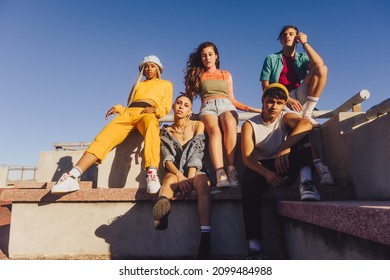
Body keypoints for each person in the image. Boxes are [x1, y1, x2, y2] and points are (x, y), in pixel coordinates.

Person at [51, 55, 173, 194]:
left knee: (152, 127)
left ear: (158, 68)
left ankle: (151, 173)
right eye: (146, 66)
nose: (149, 69)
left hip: (148, 113)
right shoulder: (138, 85)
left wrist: (156, 110)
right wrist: (118, 108)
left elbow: (166, 106)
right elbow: (130, 104)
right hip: (129, 113)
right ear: (142, 70)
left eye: (152, 66)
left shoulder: (166, 84)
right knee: (104, 137)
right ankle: (72, 176)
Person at [241, 83, 320, 259]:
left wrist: (286, 146)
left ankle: (306, 181)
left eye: (279, 103)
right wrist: (266, 174)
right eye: (270, 102)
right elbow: (247, 158)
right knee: (248, 187)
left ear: (284, 104)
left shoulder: (284, 117)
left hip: (283, 161)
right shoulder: (250, 124)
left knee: (302, 135)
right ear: (263, 100)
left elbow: (306, 124)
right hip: (262, 166)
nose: (274, 107)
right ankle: (254, 247)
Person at [260, 25, 334, 185]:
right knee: (306, 127)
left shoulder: (301, 57)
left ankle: (307, 112)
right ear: (280, 40)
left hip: (300, 95)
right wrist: (286, 99)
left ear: (297, 38)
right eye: (284, 34)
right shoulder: (271, 58)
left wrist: (306, 44)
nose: (288, 36)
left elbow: (319, 64)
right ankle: (319, 166)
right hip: (280, 98)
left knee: (322, 69)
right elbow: (266, 87)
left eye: (292, 34)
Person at [184, 41, 262, 188]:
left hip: (226, 104)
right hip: (207, 106)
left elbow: (232, 99)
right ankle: (220, 173)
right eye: (204, 55)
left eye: (210, 54)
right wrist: (186, 110)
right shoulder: (198, 74)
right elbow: (188, 96)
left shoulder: (225, 74)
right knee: (214, 131)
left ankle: (231, 170)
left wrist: (252, 109)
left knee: (230, 124)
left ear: (216, 56)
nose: (207, 58)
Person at [152, 94, 212, 259]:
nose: (181, 107)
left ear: (190, 111)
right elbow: (167, 159)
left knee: (202, 184)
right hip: (175, 171)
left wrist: (190, 178)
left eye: (185, 105)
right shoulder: (165, 131)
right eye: (178, 103)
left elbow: (198, 151)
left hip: (196, 169)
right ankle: (161, 210)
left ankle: (206, 237)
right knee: (169, 179)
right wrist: (180, 176)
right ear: (173, 106)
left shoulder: (197, 125)